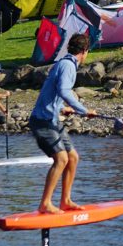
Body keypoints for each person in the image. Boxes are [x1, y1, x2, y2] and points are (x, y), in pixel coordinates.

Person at [28, 34, 97, 214]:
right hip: (42, 121)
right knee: (61, 159)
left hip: (52, 119)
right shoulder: (68, 66)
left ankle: (65, 200)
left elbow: (54, 92)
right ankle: (45, 203)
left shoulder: (64, 64)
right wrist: (83, 110)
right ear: (84, 51)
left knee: (73, 157)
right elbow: (64, 90)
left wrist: (62, 108)